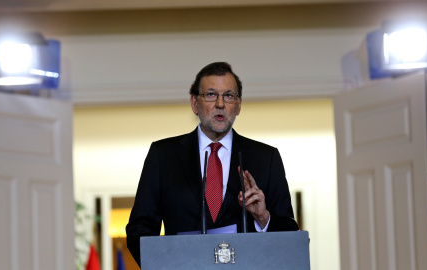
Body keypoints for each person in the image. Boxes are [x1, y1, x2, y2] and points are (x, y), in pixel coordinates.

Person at [126, 62, 299, 266]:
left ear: (239, 105)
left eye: (228, 96)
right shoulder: (163, 155)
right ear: (194, 103)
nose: (220, 104)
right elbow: (139, 230)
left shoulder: (266, 158)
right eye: (210, 94)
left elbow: (290, 236)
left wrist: (264, 218)